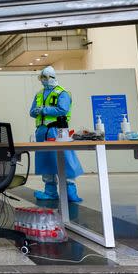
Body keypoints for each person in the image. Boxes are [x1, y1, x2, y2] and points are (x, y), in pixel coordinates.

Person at [30, 66, 84, 202]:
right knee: (45, 162)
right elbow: (31, 111)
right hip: (41, 132)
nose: (43, 81)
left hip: (57, 131)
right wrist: (37, 111)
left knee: (64, 160)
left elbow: (63, 109)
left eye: (45, 78)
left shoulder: (62, 93)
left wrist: (44, 110)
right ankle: (50, 191)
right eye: (41, 78)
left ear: (52, 77)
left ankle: (70, 191)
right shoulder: (39, 94)